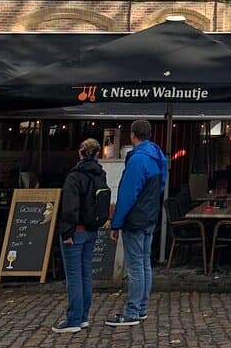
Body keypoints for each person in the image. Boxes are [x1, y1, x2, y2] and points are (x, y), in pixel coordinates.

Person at [106, 120, 167, 327]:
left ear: (132, 135)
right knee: (144, 263)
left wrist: (116, 223)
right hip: (150, 215)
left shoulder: (137, 160)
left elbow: (127, 194)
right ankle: (142, 308)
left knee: (135, 266)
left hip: (136, 218)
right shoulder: (158, 156)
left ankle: (133, 311)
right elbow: (161, 186)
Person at [52, 138, 106, 334]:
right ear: (97, 154)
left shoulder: (74, 177)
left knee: (74, 276)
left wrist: (66, 231)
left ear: (80, 153)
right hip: (92, 230)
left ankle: (73, 319)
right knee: (85, 274)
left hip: (76, 230)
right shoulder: (100, 175)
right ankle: (83, 316)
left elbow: (70, 207)